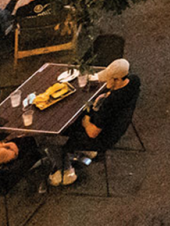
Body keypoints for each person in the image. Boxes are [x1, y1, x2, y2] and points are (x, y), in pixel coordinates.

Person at [50, 58, 140, 186]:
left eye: (110, 78)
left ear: (118, 79)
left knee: (53, 138)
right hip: (117, 126)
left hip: (101, 139)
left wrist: (86, 121)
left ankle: (67, 172)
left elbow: (92, 133)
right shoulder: (134, 81)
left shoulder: (108, 104)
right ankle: (84, 153)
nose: (106, 81)